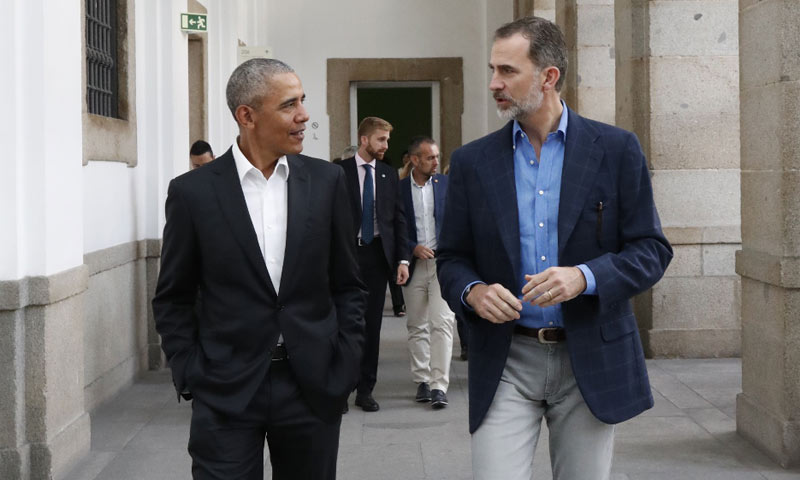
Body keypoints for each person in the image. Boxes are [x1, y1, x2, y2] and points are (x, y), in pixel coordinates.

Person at [436, 16, 673, 480]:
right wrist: (474, 292)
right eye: (492, 69)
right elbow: (452, 258)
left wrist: (584, 277)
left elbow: (651, 249)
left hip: (588, 356)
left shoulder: (617, 149)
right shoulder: (472, 162)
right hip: (506, 358)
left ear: (548, 76)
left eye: (507, 71)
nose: (493, 83)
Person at [152, 58, 367, 480]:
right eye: (289, 105)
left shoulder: (327, 182)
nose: (304, 115)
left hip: (312, 385)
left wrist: (346, 361)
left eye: (302, 101)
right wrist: (191, 371)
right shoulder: (192, 193)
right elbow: (173, 296)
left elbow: (347, 284)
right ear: (246, 116)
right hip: (226, 388)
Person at [339, 117, 410, 412]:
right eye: (381, 140)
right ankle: (340, 388)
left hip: (377, 257)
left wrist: (402, 259)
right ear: (365, 140)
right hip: (346, 257)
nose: (386, 146)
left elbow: (398, 218)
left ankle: (365, 389)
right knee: (344, 325)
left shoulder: (387, 174)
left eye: (387, 141)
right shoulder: (338, 173)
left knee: (372, 326)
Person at [399, 136, 454, 409]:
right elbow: (392, 228)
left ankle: (439, 385)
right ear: (414, 160)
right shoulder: (398, 190)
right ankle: (421, 379)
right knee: (416, 324)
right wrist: (412, 248)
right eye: (430, 157)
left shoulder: (446, 185)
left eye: (437, 156)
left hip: (443, 264)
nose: (436, 162)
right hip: (413, 265)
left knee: (442, 322)